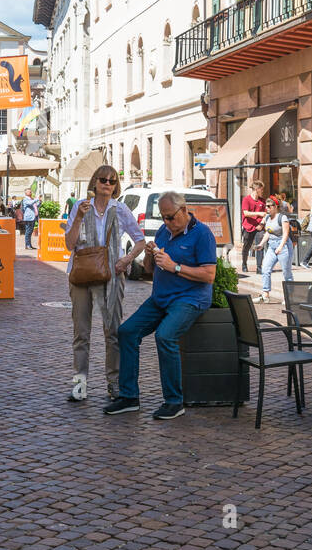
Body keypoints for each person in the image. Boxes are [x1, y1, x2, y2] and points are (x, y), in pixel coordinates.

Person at [104, 191, 217, 420]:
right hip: (161, 298)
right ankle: (129, 397)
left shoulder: (203, 234)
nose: (166, 222)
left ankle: (174, 402)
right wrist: (149, 256)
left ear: (184, 210)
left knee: (165, 336)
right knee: (127, 332)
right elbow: (149, 270)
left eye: (170, 217)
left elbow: (209, 275)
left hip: (189, 299)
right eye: (163, 217)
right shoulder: (165, 230)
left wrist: (174, 266)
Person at [63, 165, 143, 403]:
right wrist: (78, 217)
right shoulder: (80, 206)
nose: (107, 184)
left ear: (115, 185)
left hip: (111, 275)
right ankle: (80, 385)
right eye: (103, 179)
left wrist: (126, 260)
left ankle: (113, 385)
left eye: (112, 181)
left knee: (112, 333)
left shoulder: (120, 209)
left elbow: (139, 240)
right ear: (94, 182)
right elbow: (69, 244)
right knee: (81, 333)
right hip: (80, 276)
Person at [255, 195, 294, 303]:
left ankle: (289, 297)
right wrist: (261, 244)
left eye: (268, 206)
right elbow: (268, 232)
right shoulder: (267, 217)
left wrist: (280, 247)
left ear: (275, 206)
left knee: (287, 272)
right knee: (265, 269)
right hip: (272, 247)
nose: (266, 208)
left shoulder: (283, 218)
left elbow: (286, 234)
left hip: (284, 246)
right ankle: (265, 295)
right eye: (265, 206)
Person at [239, 181, 266, 275]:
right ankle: (244, 264)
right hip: (248, 226)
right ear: (256, 189)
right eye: (261, 189)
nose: (262, 191)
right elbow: (246, 213)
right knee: (247, 246)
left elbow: (265, 215)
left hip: (259, 227)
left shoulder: (263, 201)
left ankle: (259, 267)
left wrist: (262, 224)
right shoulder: (246, 199)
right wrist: (258, 213)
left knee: (260, 246)